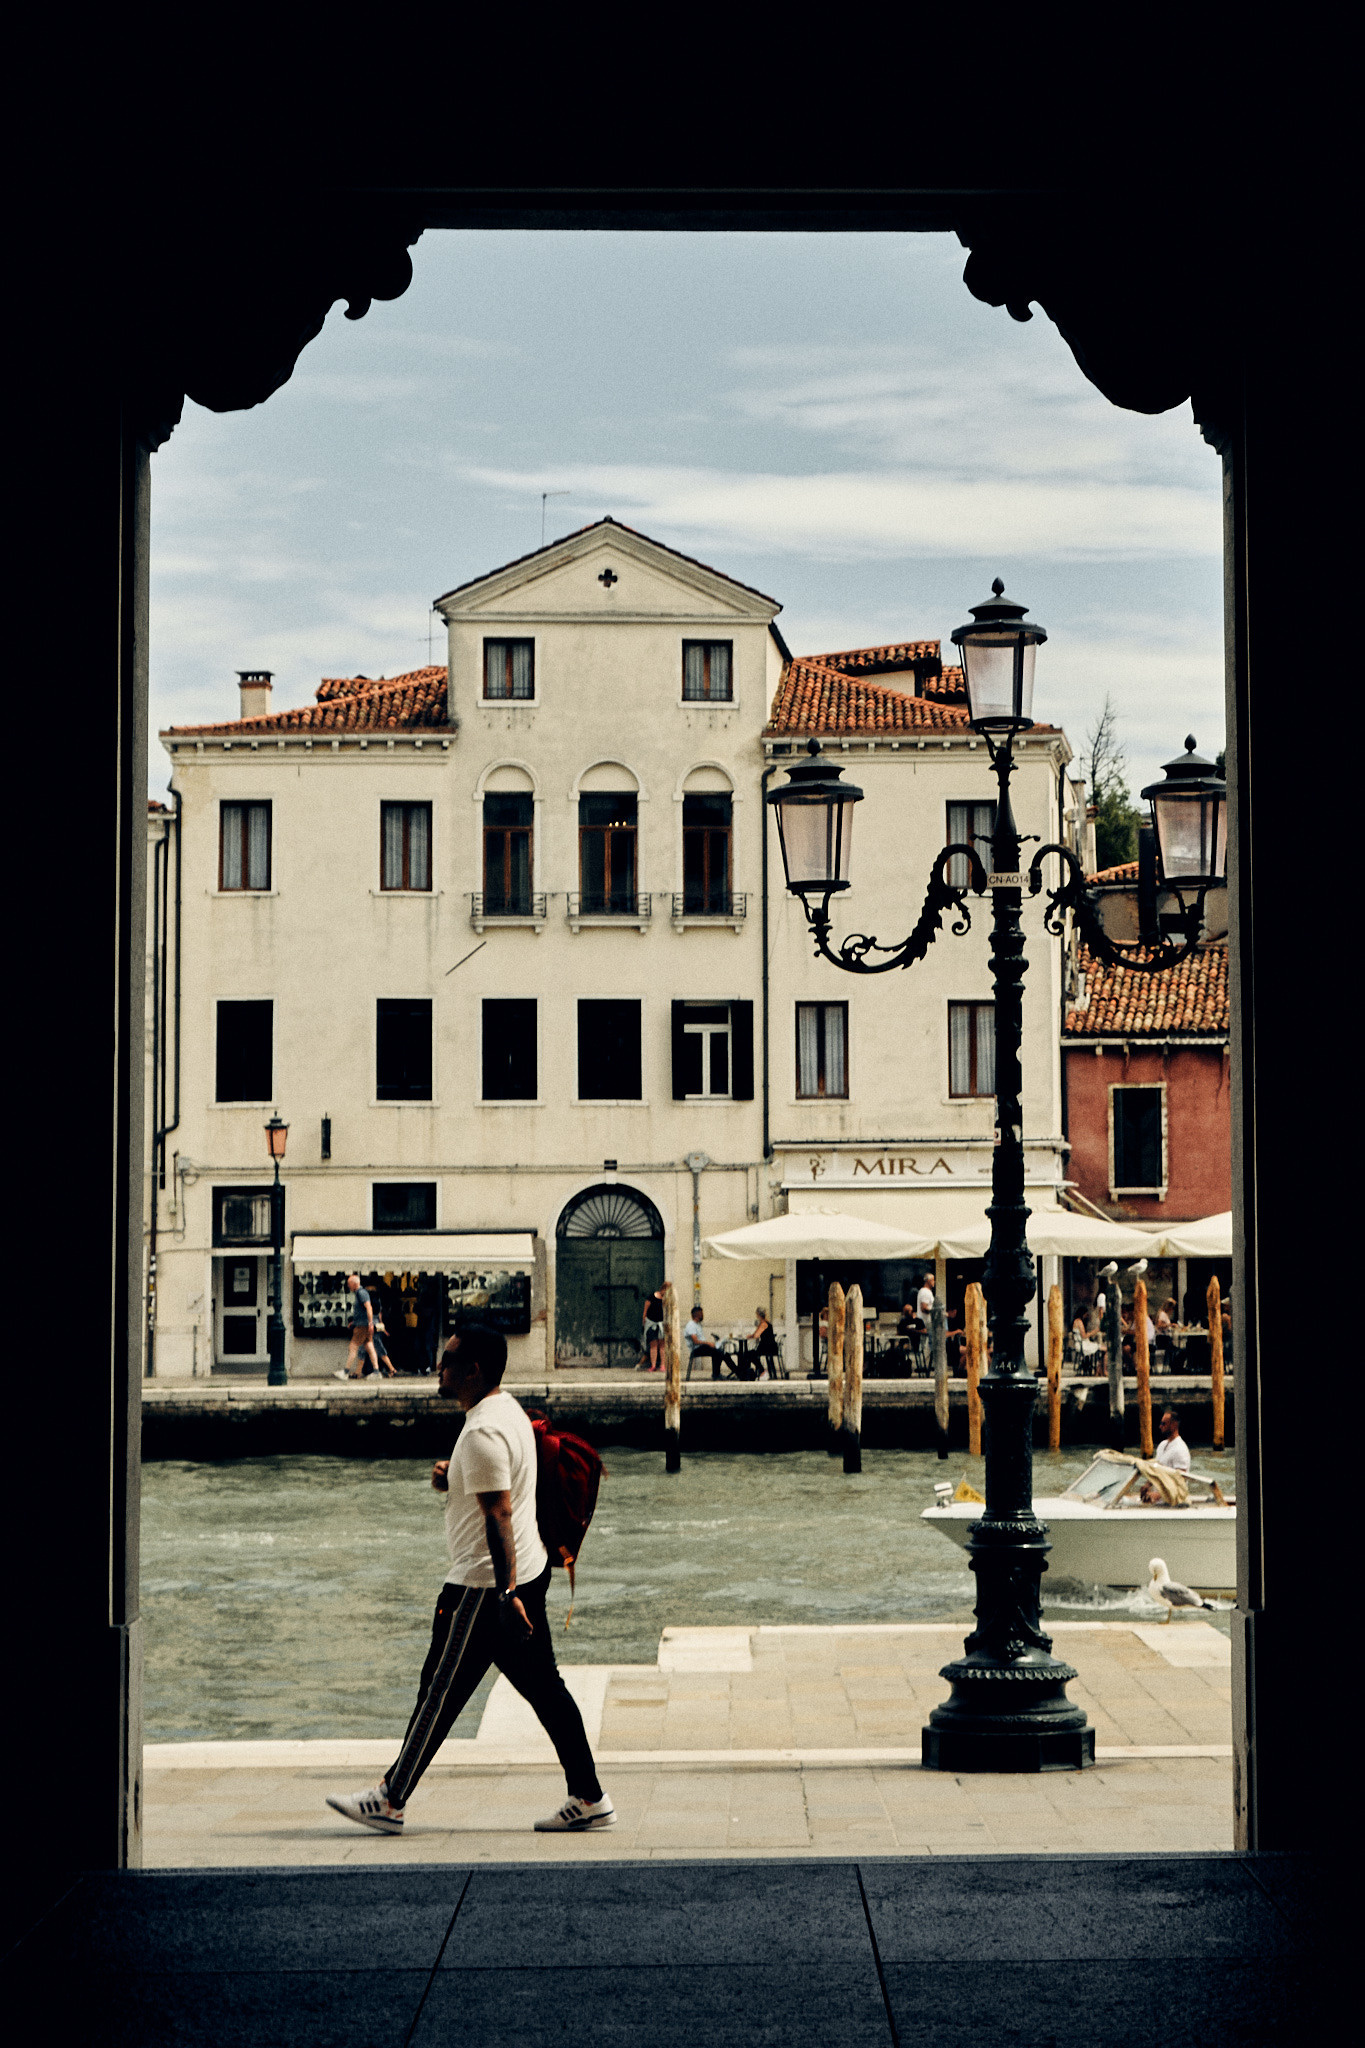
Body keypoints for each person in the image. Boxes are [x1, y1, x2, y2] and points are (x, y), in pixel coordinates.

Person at [326, 1323, 614, 1837]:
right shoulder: (507, 1413)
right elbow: (502, 1485)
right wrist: (453, 1476)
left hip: (485, 1587)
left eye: (449, 1359)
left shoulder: (481, 1431)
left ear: (474, 1370)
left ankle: (391, 1799)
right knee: (546, 1690)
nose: (440, 1367)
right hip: (527, 1573)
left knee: (438, 1689)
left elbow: (499, 1513)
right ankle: (589, 1796)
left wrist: (503, 1596)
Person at [334, 1273, 380, 1380]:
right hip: (362, 1324)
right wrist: (354, 1322)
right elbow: (362, 1310)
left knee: (353, 1347)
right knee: (369, 1347)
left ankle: (345, 1372)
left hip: (362, 1326)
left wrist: (370, 1323)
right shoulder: (361, 1293)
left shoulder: (361, 1293)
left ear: (354, 1284)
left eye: (349, 1284)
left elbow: (368, 1308)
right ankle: (376, 1372)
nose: (348, 1286)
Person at [1140, 1407, 1191, 1501]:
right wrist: (1147, 1485)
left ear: (1174, 1425)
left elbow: (1180, 1480)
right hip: (1159, 1501)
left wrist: (1158, 1495)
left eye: (1163, 1424)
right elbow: (1156, 1470)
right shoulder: (1162, 1445)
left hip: (1174, 1501)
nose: (1160, 1426)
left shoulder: (1180, 1448)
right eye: (1161, 1423)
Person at [684, 1305, 723, 1380]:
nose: (703, 1315)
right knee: (717, 1352)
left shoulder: (698, 1324)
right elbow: (695, 1341)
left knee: (722, 1353)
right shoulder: (691, 1325)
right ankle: (716, 1375)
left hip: (702, 1347)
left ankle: (738, 1372)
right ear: (697, 1314)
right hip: (696, 1349)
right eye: (701, 1313)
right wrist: (708, 1343)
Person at [744, 1307, 779, 1380]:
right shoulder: (765, 1323)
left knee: (749, 1354)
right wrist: (752, 1335)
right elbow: (756, 1334)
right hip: (769, 1346)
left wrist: (751, 1336)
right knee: (750, 1353)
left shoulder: (764, 1324)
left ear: (758, 1315)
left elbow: (757, 1335)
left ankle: (762, 1371)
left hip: (767, 1347)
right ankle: (758, 1372)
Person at [640, 1286, 666, 1373]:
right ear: (662, 1289)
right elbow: (645, 1311)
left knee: (662, 1346)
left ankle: (663, 1365)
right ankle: (653, 1365)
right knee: (653, 1345)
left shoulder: (666, 1300)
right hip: (651, 1323)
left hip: (661, 1324)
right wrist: (644, 1323)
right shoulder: (651, 1297)